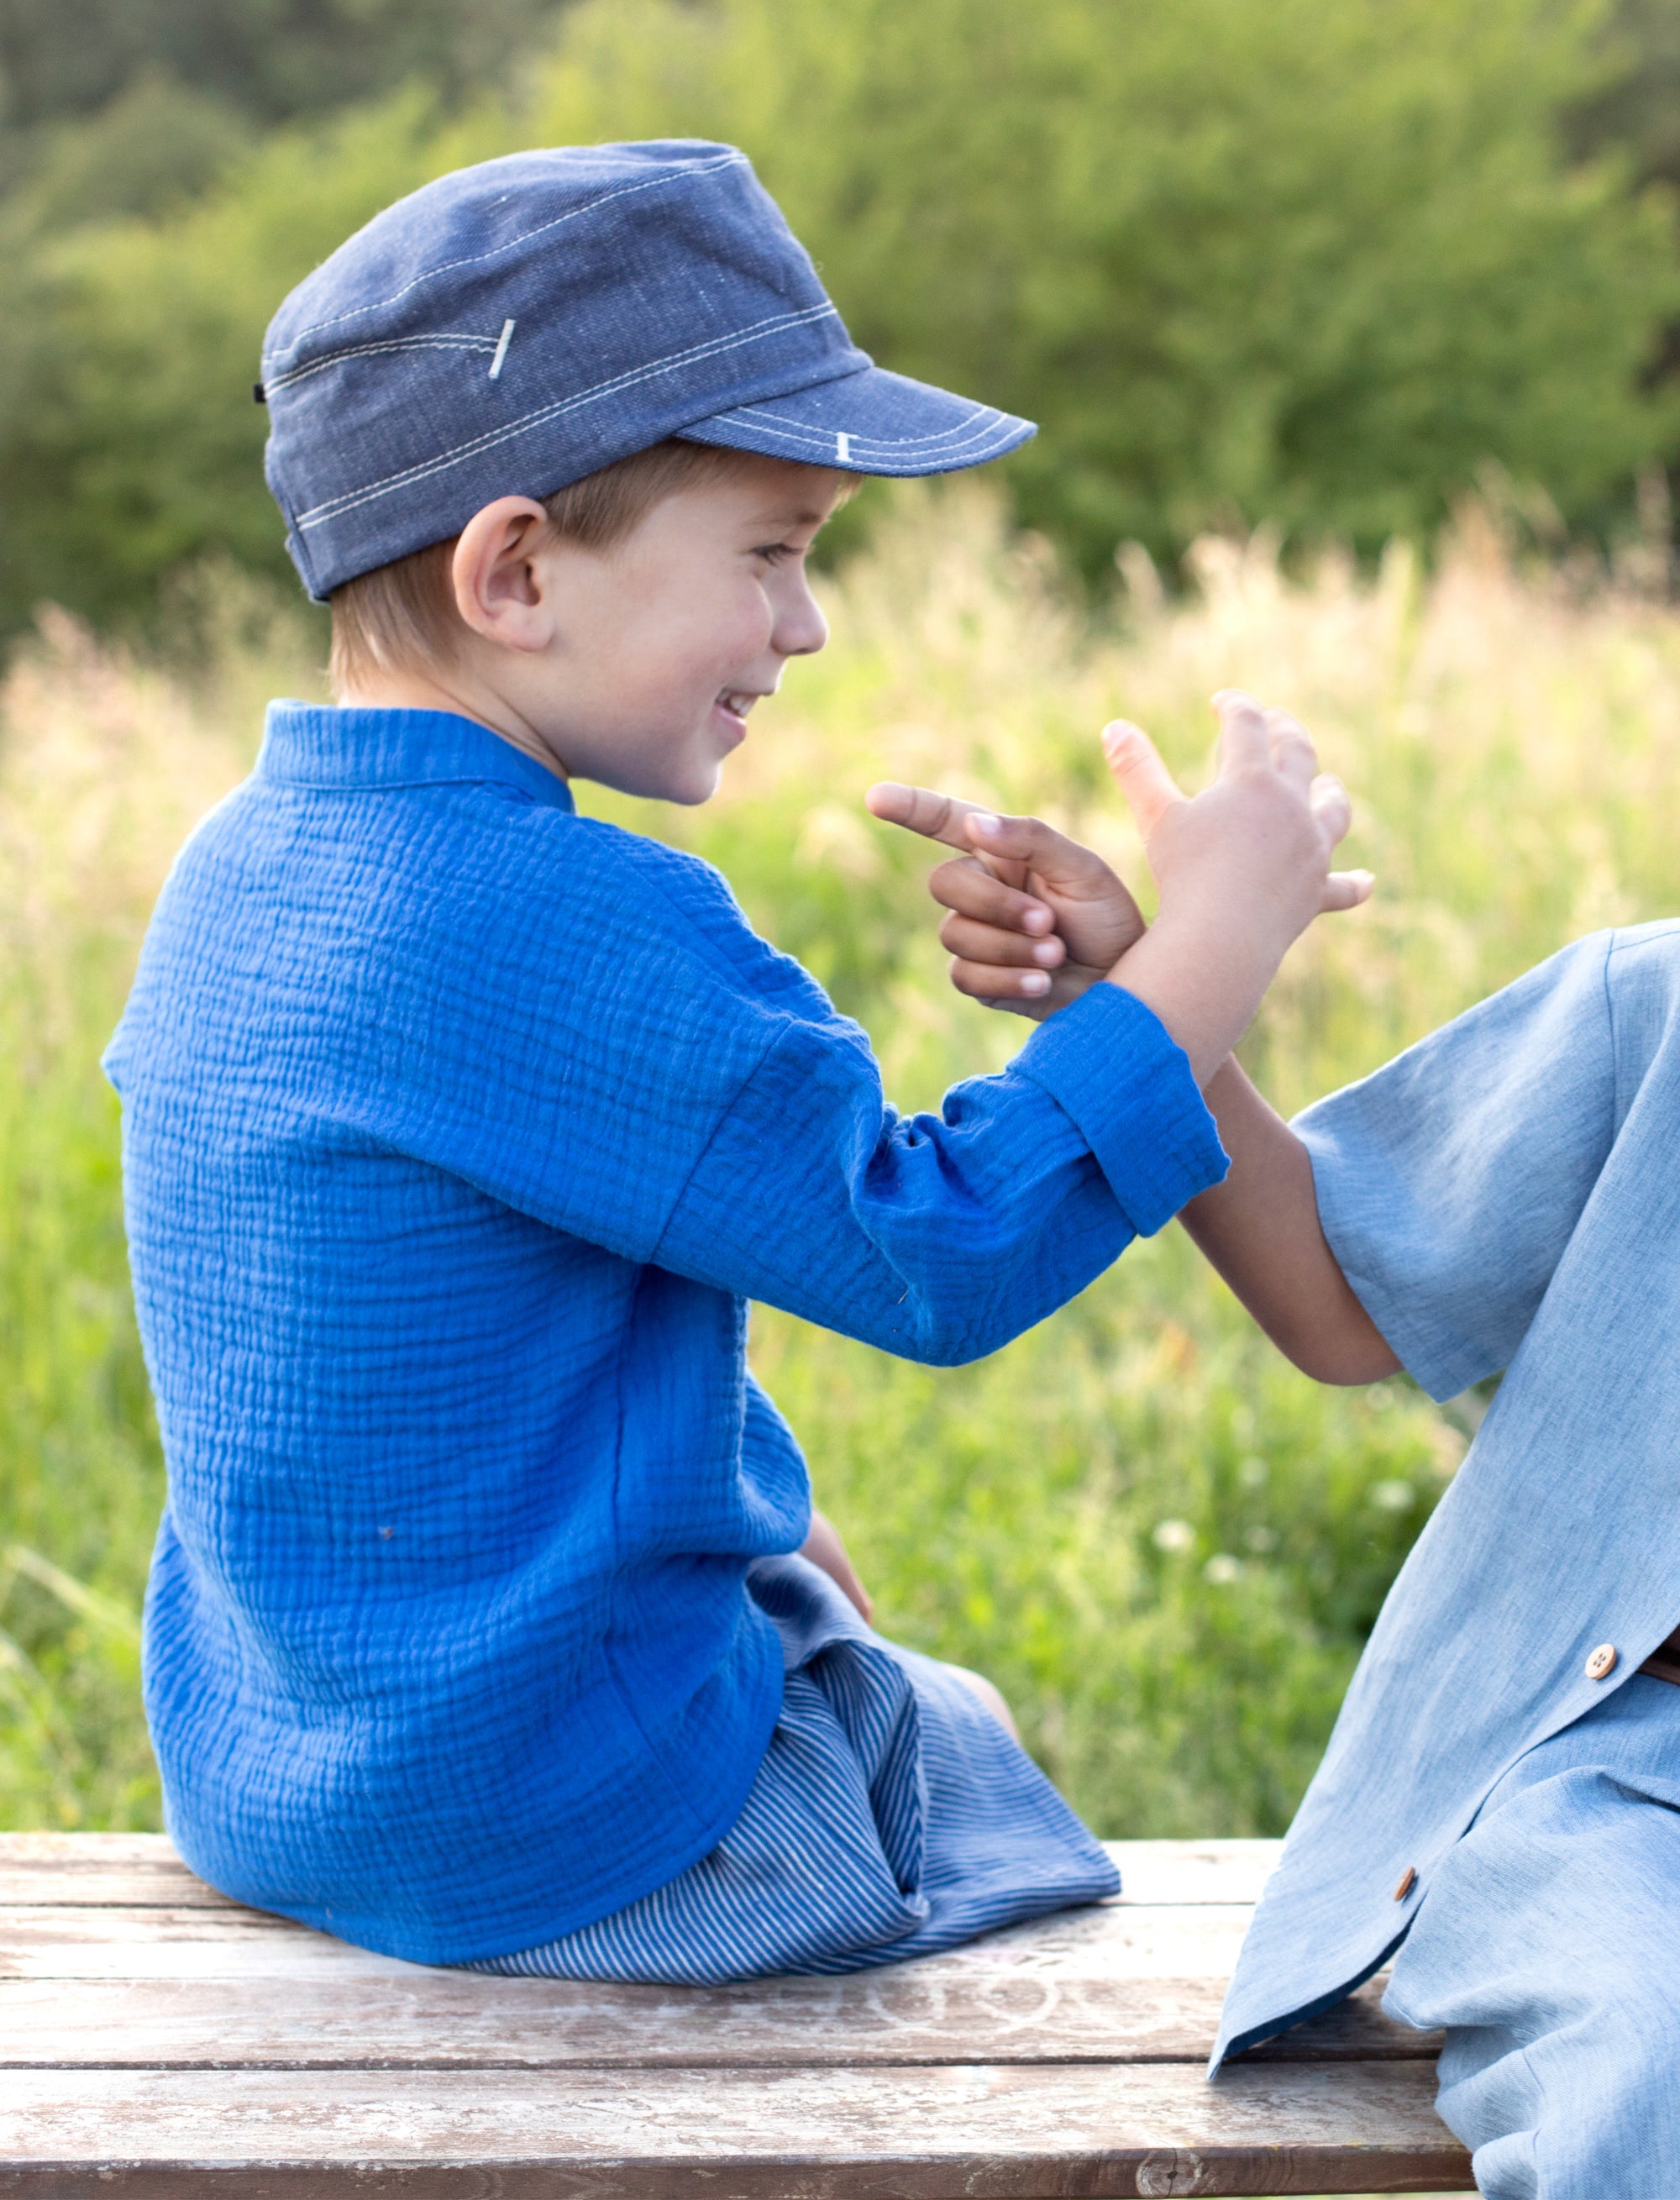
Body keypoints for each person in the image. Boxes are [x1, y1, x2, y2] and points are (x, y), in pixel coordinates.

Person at [104, 140, 1369, 1979]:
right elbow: (940, 1246)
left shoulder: (239, 869)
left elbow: (444, 1349)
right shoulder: (574, 916)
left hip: (278, 1779)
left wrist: (767, 1517)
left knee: (804, 1589)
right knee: (950, 1735)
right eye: (771, 553)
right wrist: (1218, 940)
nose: (804, 622)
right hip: (562, 1832)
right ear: (515, 571)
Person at [899, 730, 1680, 2197]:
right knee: (1653, 2067)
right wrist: (1138, 1002)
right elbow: (1340, 1294)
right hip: (1620, 1782)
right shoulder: (1658, 1011)